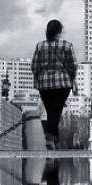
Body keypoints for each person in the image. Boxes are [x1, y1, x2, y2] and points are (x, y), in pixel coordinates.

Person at [31, 19, 78, 150]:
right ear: (59, 30)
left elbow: (34, 66)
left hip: (44, 83)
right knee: (56, 110)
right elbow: (73, 65)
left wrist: (37, 78)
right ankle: (50, 137)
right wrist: (72, 79)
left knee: (51, 110)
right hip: (63, 83)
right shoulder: (67, 45)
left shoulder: (40, 46)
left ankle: (54, 139)